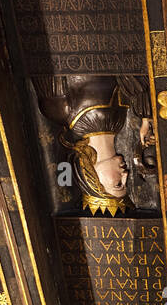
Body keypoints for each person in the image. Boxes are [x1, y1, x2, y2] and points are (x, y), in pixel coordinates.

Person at [34, 76, 154, 214]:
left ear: (92, 180)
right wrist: (146, 118)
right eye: (125, 183)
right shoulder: (117, 125)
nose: (125, 175)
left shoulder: (58, 110)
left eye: (118, 184)